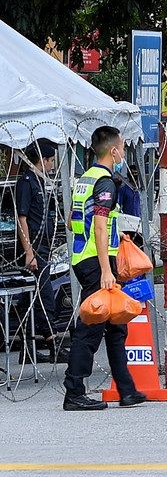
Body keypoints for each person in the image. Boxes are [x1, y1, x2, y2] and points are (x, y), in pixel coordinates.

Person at [63, 126, 147, 411]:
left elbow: (89, 220)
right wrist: (105, 270)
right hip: (95, 262)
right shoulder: (105, 182)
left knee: (115, 326)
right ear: (113, 151)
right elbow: (98, 224)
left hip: (87, 255)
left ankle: (127, 390)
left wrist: (116, 235)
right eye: (122, 148)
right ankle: (74, 391)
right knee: (91, 326)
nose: (123, 153)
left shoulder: (86, 178)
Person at [16, 139, 61, 360]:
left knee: (30, 300)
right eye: (51, 160)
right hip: (33, 246)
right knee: (45, 296)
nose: (52, 165)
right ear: (42, 160)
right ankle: (52, 342)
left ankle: (28, 349)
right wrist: (29, 252)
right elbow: (22, 218)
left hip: (42, 245)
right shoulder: (26, 182)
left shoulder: (39, 181)